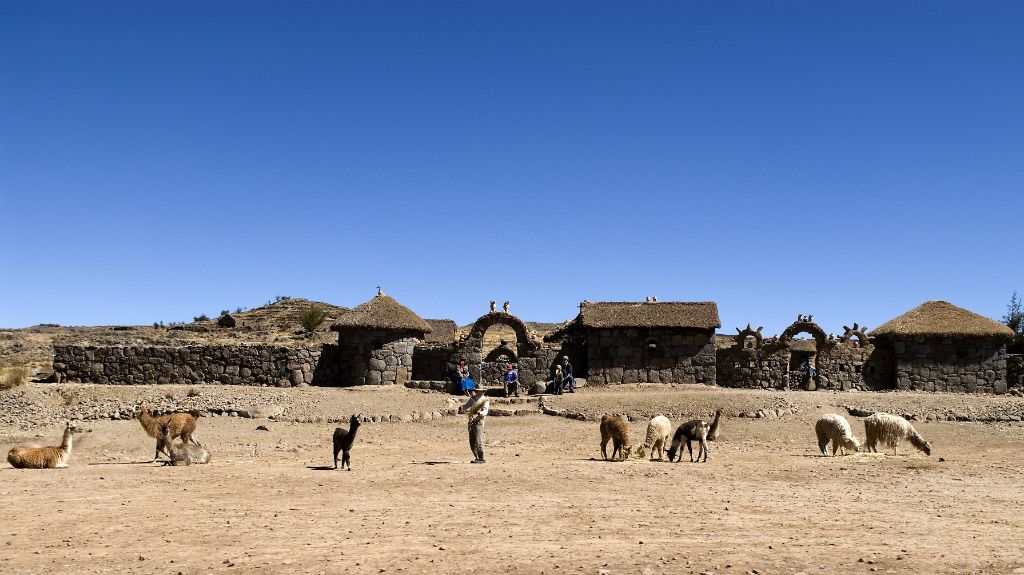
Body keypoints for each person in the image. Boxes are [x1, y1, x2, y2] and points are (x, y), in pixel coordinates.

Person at [458, 384, 490, 463]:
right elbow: (466, 406)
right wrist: (461, 408)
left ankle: (482, 458)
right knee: (472, 441)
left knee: (479, 440)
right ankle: (477, 457)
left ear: (482, 392)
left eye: (477, 391)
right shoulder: (472, 399)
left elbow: (485, 411)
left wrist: (480, 412)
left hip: (479, 421)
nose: (475, 392)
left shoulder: (485, 400)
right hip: (471, 421)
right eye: (475, 391)